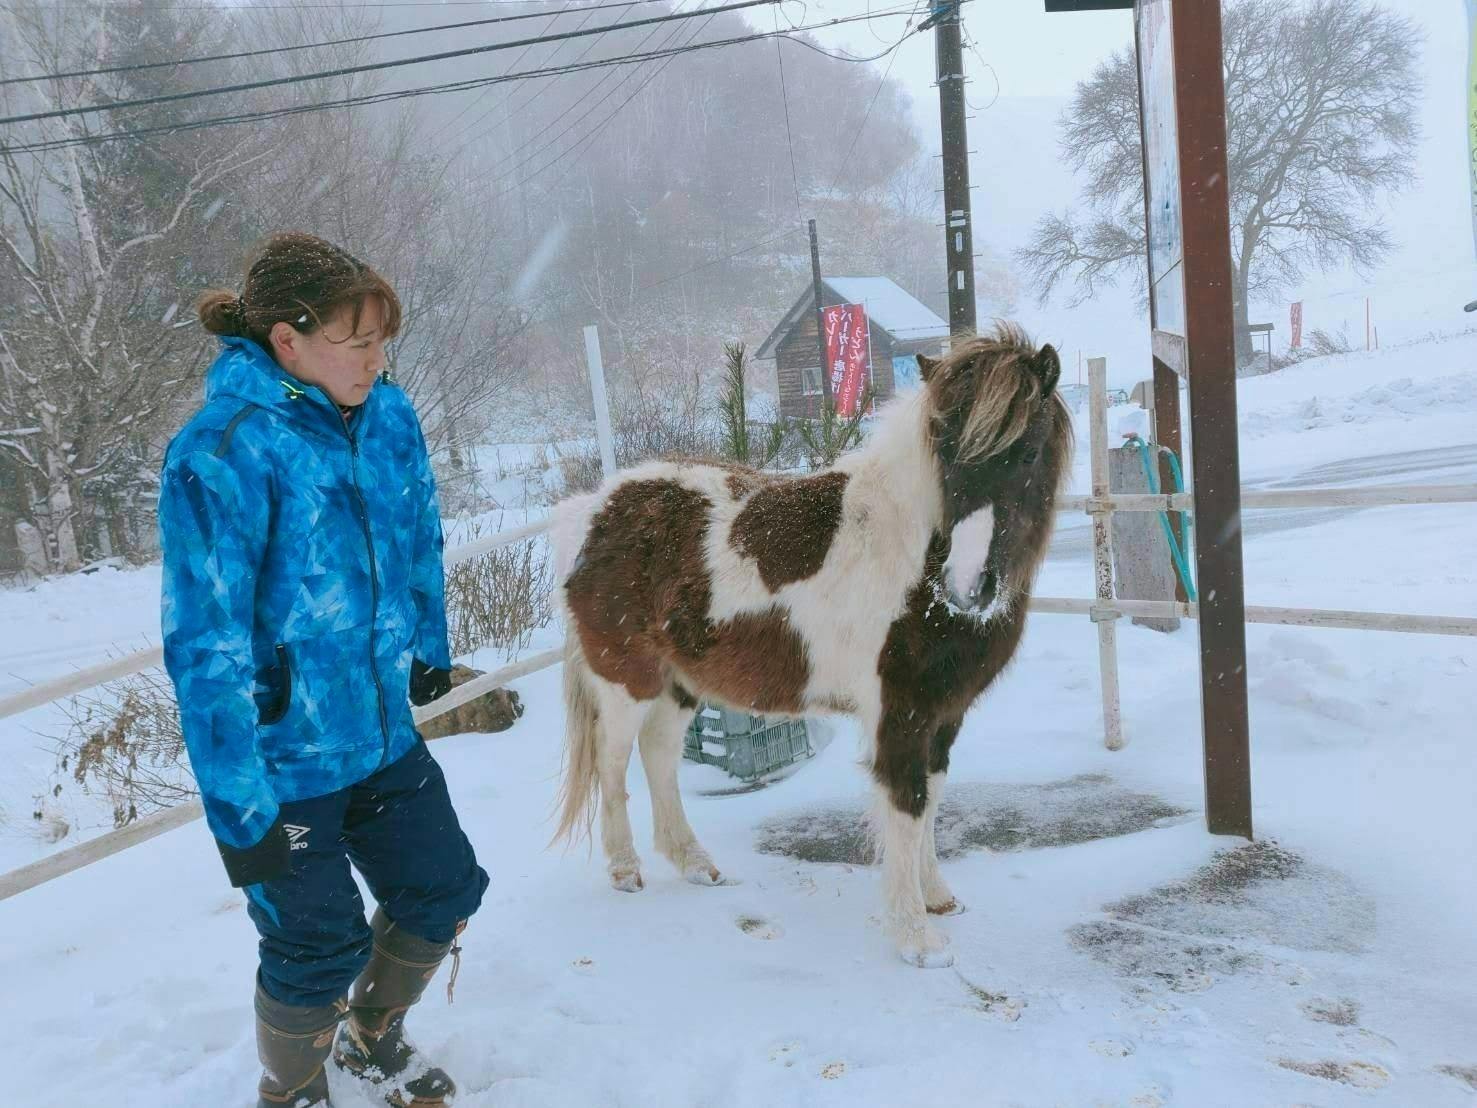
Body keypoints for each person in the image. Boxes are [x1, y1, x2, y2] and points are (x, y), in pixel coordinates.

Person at [158, 231, 489, 1108]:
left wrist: (429, 646)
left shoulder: (388, 414)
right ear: (285, 338)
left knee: (443, 890)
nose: (377, 360)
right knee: (315, 948)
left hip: (379, 731)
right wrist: (239, 812)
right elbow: (204, 643)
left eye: (383, 340)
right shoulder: (222, 449)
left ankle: (372, 1039)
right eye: (358, 341)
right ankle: (294, 1090)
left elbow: (419, 531)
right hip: (282, 759)